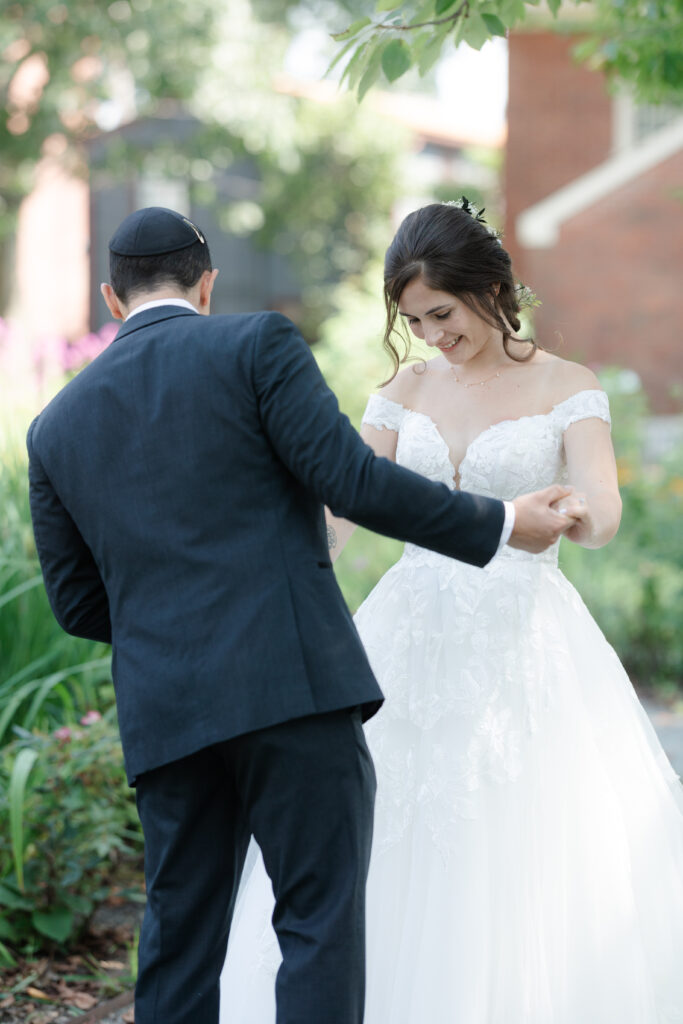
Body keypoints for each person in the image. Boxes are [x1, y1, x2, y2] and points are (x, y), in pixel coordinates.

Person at [25, 206, 573, 1024]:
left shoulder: (53, 427)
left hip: (168, 714)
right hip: (293, 691)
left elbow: (75, 603)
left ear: (111, 297)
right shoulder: (255, 345)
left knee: (178, 939)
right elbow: (351, 482)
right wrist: (498, 524)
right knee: (314, 923)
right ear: (206, 285)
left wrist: (173, 629)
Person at [219, 201, 683, 1023]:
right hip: (408, 633)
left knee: (520, 833)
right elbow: (340, 509)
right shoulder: (403, 388)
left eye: (441, 313)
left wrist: (572, 510)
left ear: (493, 289)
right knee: (380, 823)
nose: (431, 334)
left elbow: (604, 514)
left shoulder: (567, 388)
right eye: (413, 319)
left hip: (522, 639)